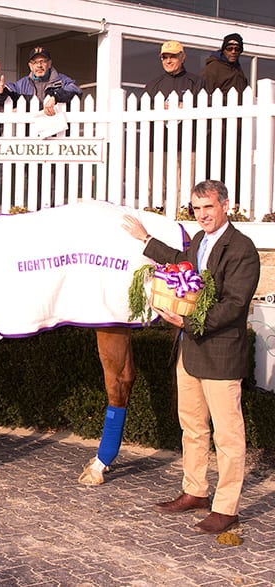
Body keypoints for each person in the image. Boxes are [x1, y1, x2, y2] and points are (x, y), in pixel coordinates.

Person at [122, 179, 260, 535]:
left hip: (220, 353)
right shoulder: (199, 240)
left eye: (208, 208)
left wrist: (189, 321)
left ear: (225, 205)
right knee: (193, 427)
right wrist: (146, 239)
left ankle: (226, 508)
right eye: (197, 209)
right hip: (190, 350)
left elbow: (234, 304)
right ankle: (195, 490)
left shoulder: (242, 249)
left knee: (228, 436)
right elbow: (182, 263)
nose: (202, 216)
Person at [144, 40, 205, 202]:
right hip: (157, 146)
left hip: (186, 146)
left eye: (173, 57)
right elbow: (141, 108)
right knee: (155, 188)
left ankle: (182, 221)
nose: (168, 61)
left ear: (182, 57)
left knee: (184, 189)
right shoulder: (153, 85)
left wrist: (187, 106)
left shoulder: (196, 82)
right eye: (165, 57)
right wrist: (158, 107)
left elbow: (206, 108)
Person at [14, 46, 82, 116]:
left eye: (42, 61)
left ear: (49, 63)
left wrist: (55, 97)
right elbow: (8, 92)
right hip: (31, 126)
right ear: (30, 66)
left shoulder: (61, 80)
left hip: (57, 125)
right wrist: (2, 91)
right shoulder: (22, 84)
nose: (39, 65)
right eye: (35, 62)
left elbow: (76, 90)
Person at [201, 33, 248, 104]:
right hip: (220, 112)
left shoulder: (238, 69)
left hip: (239, 112)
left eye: (237, 49)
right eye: (229, 48)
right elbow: (205, 94)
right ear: (223, 50)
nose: (233, 52)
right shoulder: (213, 68)